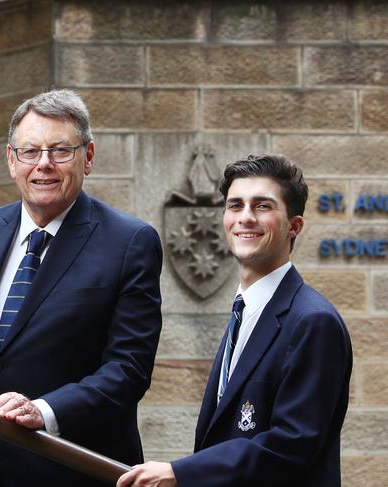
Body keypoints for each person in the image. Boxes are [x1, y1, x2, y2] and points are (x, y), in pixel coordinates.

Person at [0, 89, 163, 486]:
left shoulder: (130, 242)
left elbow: (128, 369)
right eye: (30, 151)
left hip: (70, 464)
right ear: (12, 160)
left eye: (61, 151)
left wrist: (44, 411)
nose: (43, 164)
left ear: (89, 157)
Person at [117, 154, 353, 487]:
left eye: (262, 206)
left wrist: (180, 473)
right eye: (235, 205)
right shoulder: (246, 312)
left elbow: (292, 446)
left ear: (294, 226)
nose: (245, 218)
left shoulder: (313, 322)